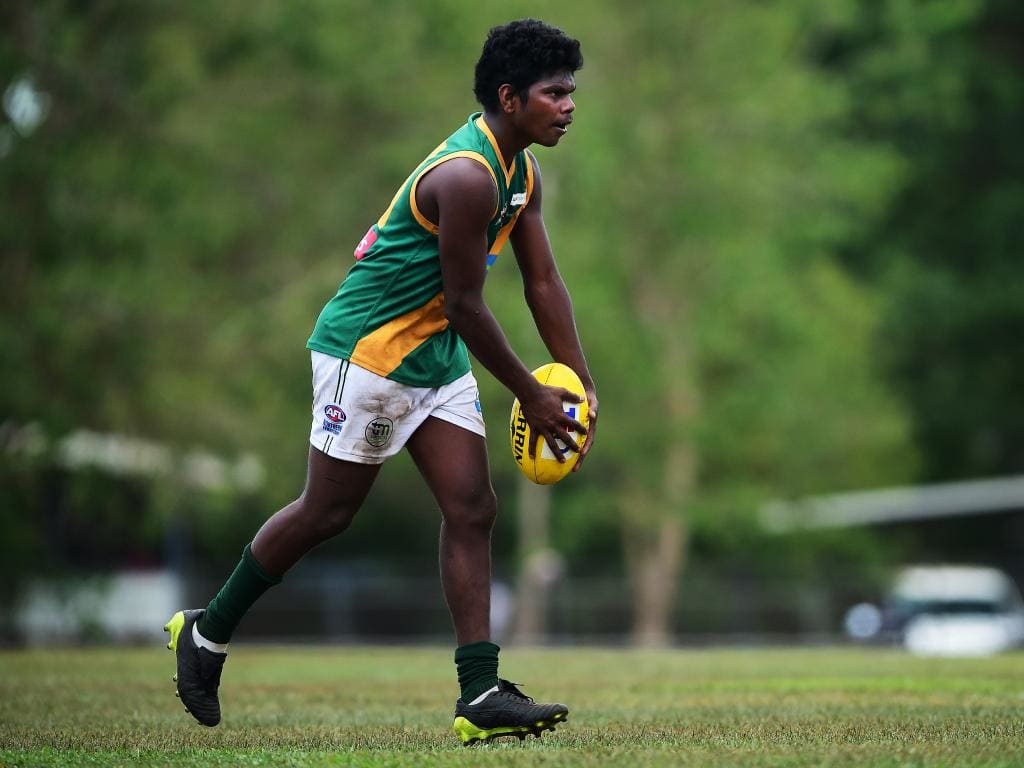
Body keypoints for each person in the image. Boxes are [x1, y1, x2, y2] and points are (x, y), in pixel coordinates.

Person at [164, 18, 598, 745]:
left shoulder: (522, 174)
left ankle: (480, 693)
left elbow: (544, 281)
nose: (568, 105)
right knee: (328, 513)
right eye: (554, 93)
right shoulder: (465, 176)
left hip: (436, 351)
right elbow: (465, 302)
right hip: (367, 354)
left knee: (472, 507)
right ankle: (205, 634)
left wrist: (581, 386)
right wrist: (529, 390)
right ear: (509, 97)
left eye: (571, 92)